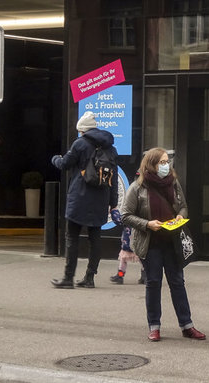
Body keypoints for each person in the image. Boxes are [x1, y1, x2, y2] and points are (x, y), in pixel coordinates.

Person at [121, 147, 206, 342]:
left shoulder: (173, 183)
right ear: (151, 164)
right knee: (153, 282)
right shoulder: (138, 187)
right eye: (162, 162)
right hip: (150, 243)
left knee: (177, 282)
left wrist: (180, 216)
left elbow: (183, 206)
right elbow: (126, 215)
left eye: (167, 161)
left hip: (172, 241)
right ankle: (154, 326)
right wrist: (147, 224)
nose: (166, 165)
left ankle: (187, 325)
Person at [51, 111, 118, 289]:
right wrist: (113, 203)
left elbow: (65, 164)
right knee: (95, 238)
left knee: (71, 237)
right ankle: (89, 278)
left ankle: (68, 278)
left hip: (79, 197)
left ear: (82, 130)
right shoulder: (110, 148)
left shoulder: (80, 144)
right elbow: (113, 176)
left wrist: (55, 158)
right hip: (101, 198)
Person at [108, 209, 144, 285]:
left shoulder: (127, 218)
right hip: (136, 244)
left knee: (123, 260)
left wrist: (113, 211)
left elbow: (118, 220)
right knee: (141, 261)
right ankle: (145, 276)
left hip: (128, 244)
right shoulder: (140, 218)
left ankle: (120, 276)